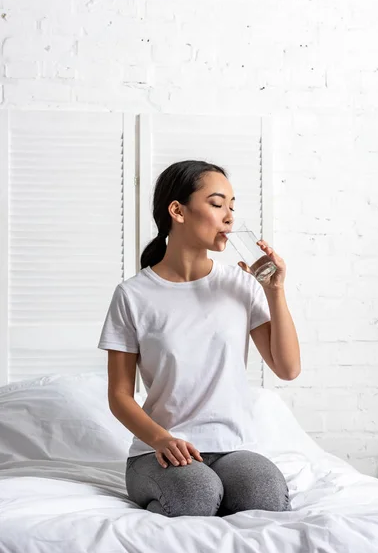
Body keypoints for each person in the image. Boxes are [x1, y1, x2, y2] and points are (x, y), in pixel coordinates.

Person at [98, 159, 301, 518]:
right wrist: (161, 439)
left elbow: (287, 369)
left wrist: (275, 291)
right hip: (157, 451)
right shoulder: (133, 295)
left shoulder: (240, 285)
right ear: (178, 210)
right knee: (196, 496)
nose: (229, 217)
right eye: (217, 203)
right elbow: (119, 396)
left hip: (232, 448)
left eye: (232, 207)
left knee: (266, 495)